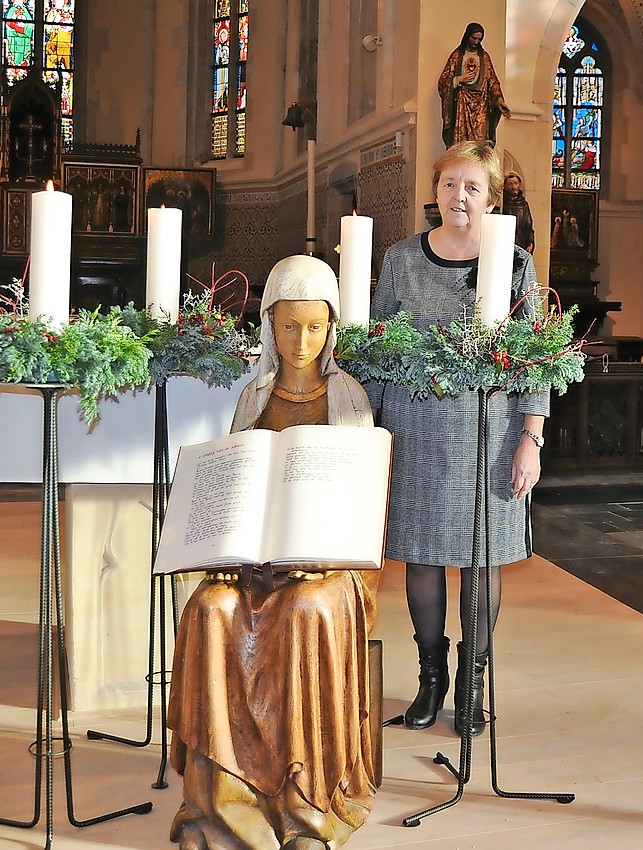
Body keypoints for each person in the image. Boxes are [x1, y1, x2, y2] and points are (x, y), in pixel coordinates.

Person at [166, 255, 378, 850]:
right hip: (253, 562)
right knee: (209, 609)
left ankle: (304, 808)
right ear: (269, 324)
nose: (301, 341)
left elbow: (360, 502)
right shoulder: (253, 396)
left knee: (309, 608)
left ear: (331, 328)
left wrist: (325, 556)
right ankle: (221, 808)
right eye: (289, 326)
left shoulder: (350, 400)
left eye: (314, 327)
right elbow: (234, 482)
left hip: (328, 566)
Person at [367, 141, 548, 737]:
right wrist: (365, 432)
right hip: (413, 435)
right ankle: (430, 679)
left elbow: (535, 359)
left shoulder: (515, 264)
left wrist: (532, 437)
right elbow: (374, 349)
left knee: (481, 559)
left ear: (491, 199)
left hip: (488, 436)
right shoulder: (400, 260)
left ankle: (472, 681)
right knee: (420, 558)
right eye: (449, 185)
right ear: (435, 191)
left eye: (472, 188)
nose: (458, 198)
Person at [437, 23, 511, 149]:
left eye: (479, 39)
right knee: (461, 145)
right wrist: (458, 79)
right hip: (462, 103)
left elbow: (492, 82)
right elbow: (442, 82)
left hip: (481, 105)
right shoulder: (457, 56)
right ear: (467, 36)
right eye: (473, 38)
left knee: (480, 146)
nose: (476, 42)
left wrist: (499, 101)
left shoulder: (484, 58)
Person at [501, 171, 535, 254]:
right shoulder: (501, 203)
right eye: (510, 184)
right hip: (505, 244)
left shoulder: (523, 204)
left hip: (522, 244)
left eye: (516, 183)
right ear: (504, 186)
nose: (514, 187)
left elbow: (528, 225)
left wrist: (530, 242)